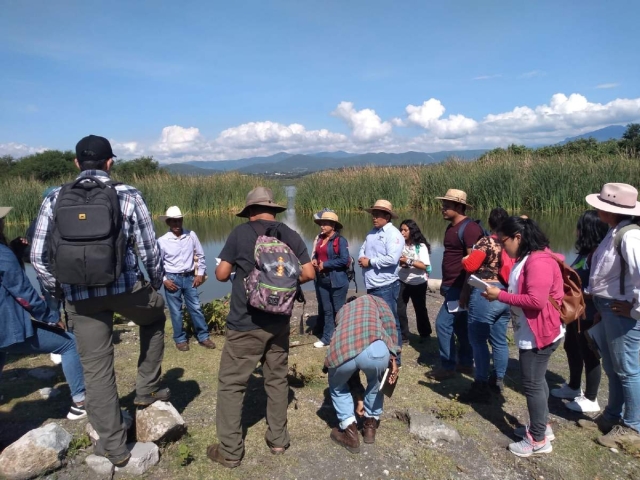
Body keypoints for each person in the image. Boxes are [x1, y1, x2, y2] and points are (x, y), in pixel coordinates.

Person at [31, 135, 168, 467]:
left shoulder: (54, 197)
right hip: (126, 289)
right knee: (156, 316)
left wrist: (60, 291)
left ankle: (115, 449)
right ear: (110, 162)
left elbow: (37, 258)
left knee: (96, 369)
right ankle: (145, 388)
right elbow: (150, 252)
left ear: (76, 164)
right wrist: (154, 283)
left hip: (80, 296)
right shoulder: (128, 195)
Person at [208, 186, 315, 468]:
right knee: (277, 379)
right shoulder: (289, 234)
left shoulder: (240, 233)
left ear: (250, 211)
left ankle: (230, 451)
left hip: (246, 321)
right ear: (273, 209)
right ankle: (278, 439)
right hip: (280, 320)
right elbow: (308, 273)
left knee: (232, 384)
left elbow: (220, 275)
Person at [484, 216, 563, 457]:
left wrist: (500, 296)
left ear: (518, 237)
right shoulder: (529, 256)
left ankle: (538, 440)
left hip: (540, 333)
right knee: (538, 382)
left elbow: (536, 302)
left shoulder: (538, 261)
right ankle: (543, 427)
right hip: (535, 329)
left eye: (503, 240)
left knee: (532, 384)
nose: (501, 246)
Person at [0, 206, 86, 420]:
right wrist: (50, 317)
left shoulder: (5, 252)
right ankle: (80, 402)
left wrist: (15, 253)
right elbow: (22, 292)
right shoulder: (2, 254)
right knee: (69, 344)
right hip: (4, 326)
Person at [576, 183, 640, 449]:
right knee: (614, 368)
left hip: (621, 311)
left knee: (628, 370)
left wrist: (635, 309)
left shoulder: (630, 236)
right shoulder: (616, 231)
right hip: (610, 309)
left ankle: (633, 428)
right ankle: (613, 416)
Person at [325, 295, 399, 453]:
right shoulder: (376, 300)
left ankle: (349, 432)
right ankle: (370, 428)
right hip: (376, 347)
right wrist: (394, 358)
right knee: (376, 384)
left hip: (343, 349)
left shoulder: (342, 311)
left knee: (337, 387)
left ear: (348, 304)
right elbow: (391, 326)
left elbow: (338, 338)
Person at [551, 210, 607, 413]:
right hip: (576, 312)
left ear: (588, 229)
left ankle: (591, 399)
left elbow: (599, 289)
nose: (575, 230)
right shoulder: (585, 253)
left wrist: (578, 293)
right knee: (571, 347)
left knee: (589, 353)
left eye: (579, 227)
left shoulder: (599, 254)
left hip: (590, 313)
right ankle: (574, 387)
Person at [457, 207, 513, 402]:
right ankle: (497, 379)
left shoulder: (487, 241)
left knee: (478, 340)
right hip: (505, 293)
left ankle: (480, 383)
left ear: (489, 223)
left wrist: (465, 259)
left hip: (486, 292)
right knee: (499, 340)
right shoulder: (510, 243)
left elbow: (471, 266)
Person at [427, 189, 483, 381]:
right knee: (460, 326)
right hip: (451, 285)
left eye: (447, 205)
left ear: (459, 207)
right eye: (443, 205)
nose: (442, 208)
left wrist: (466, 290)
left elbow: (473, 263)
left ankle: (448, 365)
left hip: (460, 287)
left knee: (442, 324)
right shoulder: (452, 227)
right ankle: (466, 363)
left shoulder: (470, 229)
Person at [157, 206, 215, 351]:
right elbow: (157, 263)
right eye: (173, 221)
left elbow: (200, 255)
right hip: (172, 278)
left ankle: (203, 337)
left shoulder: (191, 235)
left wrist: (200, 273)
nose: (177, 224)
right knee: (176, 311)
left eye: (179, 221)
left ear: (182, 220)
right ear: (168, 223)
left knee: (195, 307)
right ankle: (180, 339)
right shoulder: (162, 241)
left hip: (190, 277)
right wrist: (164, 279)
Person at [358, 200, 404, 365]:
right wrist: (361, 257)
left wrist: (369, 262)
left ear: (387, 216)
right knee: (377, 321)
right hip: (372, 284)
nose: (374, 217)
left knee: (391, 321)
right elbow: (363, 248)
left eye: (377, 214)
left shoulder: (394, 235)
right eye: (373, 214)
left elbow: (392, 259)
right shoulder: (372, 232)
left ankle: (395, 359)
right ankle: (382, 353)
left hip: (386, 285)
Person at [312, 211, 350, 348]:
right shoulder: (320, 239)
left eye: (325, 223)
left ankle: (341, 338)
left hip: (338, 280)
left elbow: (344, 260)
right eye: (321, 223)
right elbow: (316, 254)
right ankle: (327, 338)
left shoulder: (341, 240)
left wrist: (326, 264)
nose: (322, 226)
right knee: (327, 310)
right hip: (322, 280)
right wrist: (314, 260)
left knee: (338, 311)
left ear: (333, 225)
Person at [397, 219, 432, 342]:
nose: (402, 232)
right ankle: (404, 335)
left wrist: (408, 261)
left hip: (418, 282)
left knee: (420, 308)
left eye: (405, 230)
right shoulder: (399, 245)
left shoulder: (420, 246)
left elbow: (424, 266)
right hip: (402, 280)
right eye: (401, 229)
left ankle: (425, 333)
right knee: (400, 308)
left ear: (412, 231)